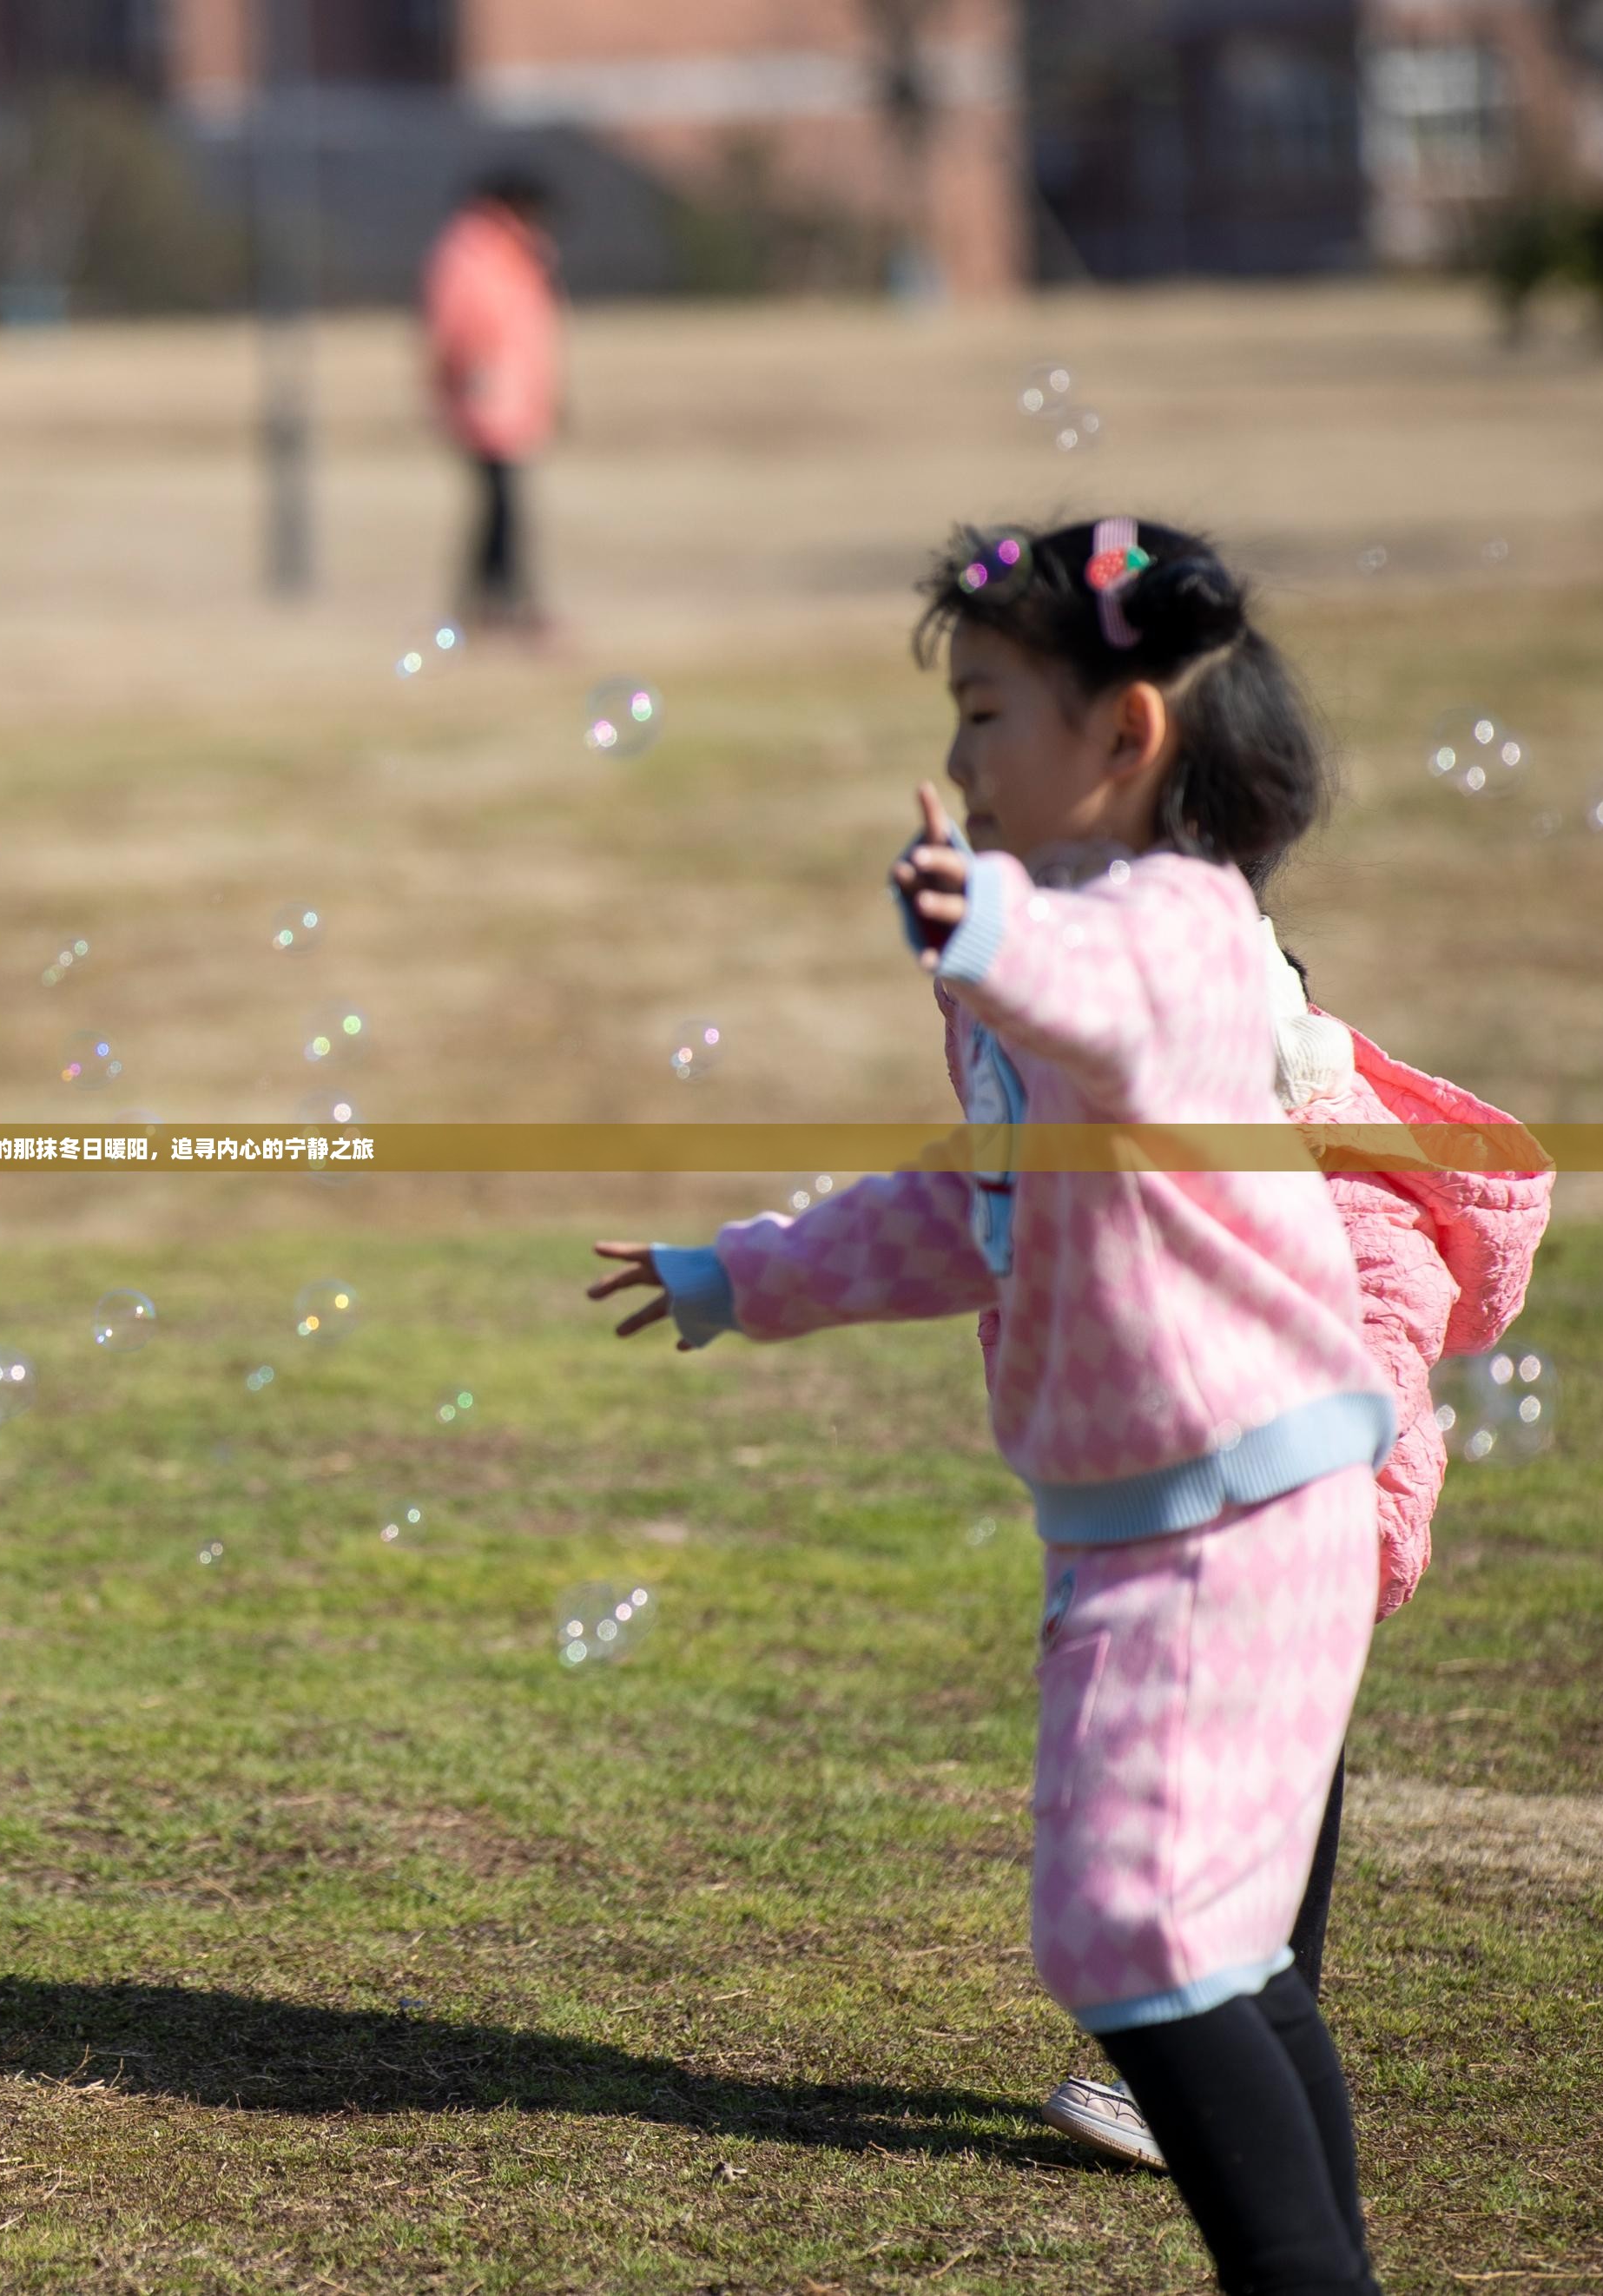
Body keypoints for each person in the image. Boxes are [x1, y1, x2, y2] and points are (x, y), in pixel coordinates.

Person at [590, 518, 1398, 2294]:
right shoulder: (1042, 984)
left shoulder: (1173, 938)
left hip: (1223, 1507)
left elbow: (1105, 1005)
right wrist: (740, 1272)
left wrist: (984, 925)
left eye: (984, 712)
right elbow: (972, 1209)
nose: (956, 758)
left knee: (1125, 1927)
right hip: (1169, 1512)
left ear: (1121, 736)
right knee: (1231, 1949)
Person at [1041, 941, 1549, 2170]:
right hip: (1206, 1519)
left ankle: (1198, 2082)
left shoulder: (1350, 1186)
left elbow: (1384, 1339)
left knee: (1231, 1793)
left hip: (1311, 1519)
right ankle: (1224, 2061)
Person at [420, 168, 562, 634]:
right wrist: (463, 381)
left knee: (501, 509)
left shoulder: (514, 253)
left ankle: (489, 606)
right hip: (487, 398)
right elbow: (457, 329)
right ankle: (499, 607)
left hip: (516, 396)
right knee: (502, 508)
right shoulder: (474, 253)